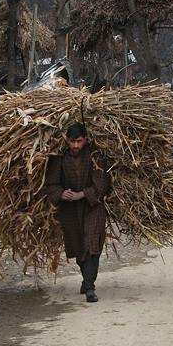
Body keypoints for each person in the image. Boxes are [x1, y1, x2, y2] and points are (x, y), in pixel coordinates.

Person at [44, 123, 112, 303]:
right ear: (66, 140)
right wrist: (61, 193)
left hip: (93, 207)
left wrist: (82, 194)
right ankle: (86, 277)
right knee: (77, 245)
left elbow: (102, 183)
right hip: (69, 210)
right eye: (72, 141)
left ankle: (89, 286)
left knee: (91, 243)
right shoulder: (59, 159)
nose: (75, 146)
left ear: (86, 140)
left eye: (79, 141)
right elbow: (51, 185)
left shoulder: (95, 157)